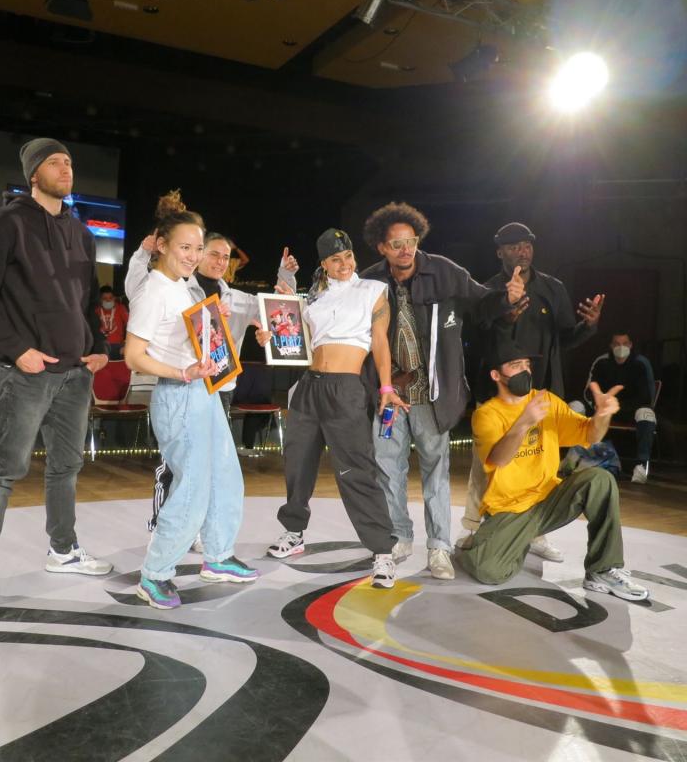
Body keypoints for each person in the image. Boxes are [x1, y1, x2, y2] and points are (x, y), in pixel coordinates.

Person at [0, 137, 112, 615]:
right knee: (4, 471)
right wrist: (17, 349)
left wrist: (99, 348)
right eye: (54, 162)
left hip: (75, 374)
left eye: (69, 161)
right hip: (27, 372)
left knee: (67, 467)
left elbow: (89, 302)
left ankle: (62, 550)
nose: (66, 168)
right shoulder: (5, 223)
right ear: (33, 174)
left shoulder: (81, 233)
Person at [360, 202, 523, 580]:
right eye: (396, 243)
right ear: (382, 247)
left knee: (436, 471)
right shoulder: (369, 282)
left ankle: (438, 547)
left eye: (411, 241)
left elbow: (482, 302)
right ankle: (399, 536)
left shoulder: (444, 271)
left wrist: (507, 299)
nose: (406, 250)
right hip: (389, 395)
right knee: (387, 468)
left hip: (432, 395)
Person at [124, 191, 258, 610]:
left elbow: (196, 339)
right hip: (178, 395)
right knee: (193, 486)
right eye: (185, 247)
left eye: (197, 249)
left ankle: (217, 556)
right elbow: (134, 356)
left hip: (204, 391)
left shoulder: (183, 287)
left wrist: (216, 334)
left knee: (226, 475)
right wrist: (182, 372)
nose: (193, 256)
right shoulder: (154, 291)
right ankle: (155, 574)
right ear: (162, 245)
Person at [125, 224, 298, 540]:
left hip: (221, 390)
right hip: (182, 385)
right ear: (198, 253)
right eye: (213, 253)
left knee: (212, 465)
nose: (220, 261)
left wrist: (284, 281)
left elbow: (275, 307)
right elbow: (137, 290)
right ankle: (163, 527)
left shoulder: (237, 298)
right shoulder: (178, 287)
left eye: (226, 257)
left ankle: (200, 528)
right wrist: (142, 254)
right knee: (176, 463)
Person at [260, 228, 408, 589]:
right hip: (308, 386)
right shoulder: (316, 298)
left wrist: (386, 386)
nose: (344, 264)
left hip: (346, 389)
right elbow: (296, 339)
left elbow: (380, 342)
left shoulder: (373, 290)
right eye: (335, 259)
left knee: (356, 470)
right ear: (324, 264)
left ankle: (382, 551)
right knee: (297, 463)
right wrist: (270, 335)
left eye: (348, 256)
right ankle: (294, 532)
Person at [456, 339, 649, 602]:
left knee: (600, 479)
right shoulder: (487, 414)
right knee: (488, 571)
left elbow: (590, 434)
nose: (525, 370)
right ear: (496, 375)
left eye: (527, 364)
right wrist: (523, 422)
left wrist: (602, 415)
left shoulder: (546, 400)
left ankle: (602, 570)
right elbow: (499, 459)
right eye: (516, 365)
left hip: (549, 499)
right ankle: (505, 542)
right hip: (510, 508)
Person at [461, 222, 605, 562]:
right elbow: (474, 341)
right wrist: (505, 316)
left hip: (541, 393)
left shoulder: (553, 288)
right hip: (499, 394)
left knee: (542, 463)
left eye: (526, 245)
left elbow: (565, 338)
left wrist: (589, 326)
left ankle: (536, 532)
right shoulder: (485, 291)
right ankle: (474, 527)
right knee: (487, 465)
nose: (522, 251)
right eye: (513, 246)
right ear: (499, 252)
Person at [576, 331, 657, 484]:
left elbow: (645, 397)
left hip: (628, 411)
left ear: (630, 345)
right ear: (611, 345)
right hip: (601, 410)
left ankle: (641, 465)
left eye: (624, 343)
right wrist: (599, 404)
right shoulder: (601, 362)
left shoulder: (640, 364)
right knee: (574, 407)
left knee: (647, 413)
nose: (621, 347)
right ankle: (569, 458)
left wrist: (619, 407)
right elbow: (589, 391)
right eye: (617, 344)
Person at [96, 285, 129, 360]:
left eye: (110, 298)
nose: (108, 301)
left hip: (118, 346)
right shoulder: (96, 310)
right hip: (101, 346)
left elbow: (130, 325)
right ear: (100, 299)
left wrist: (127, 343)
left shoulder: (120, 308)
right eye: (105, 298)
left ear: (114, 298)